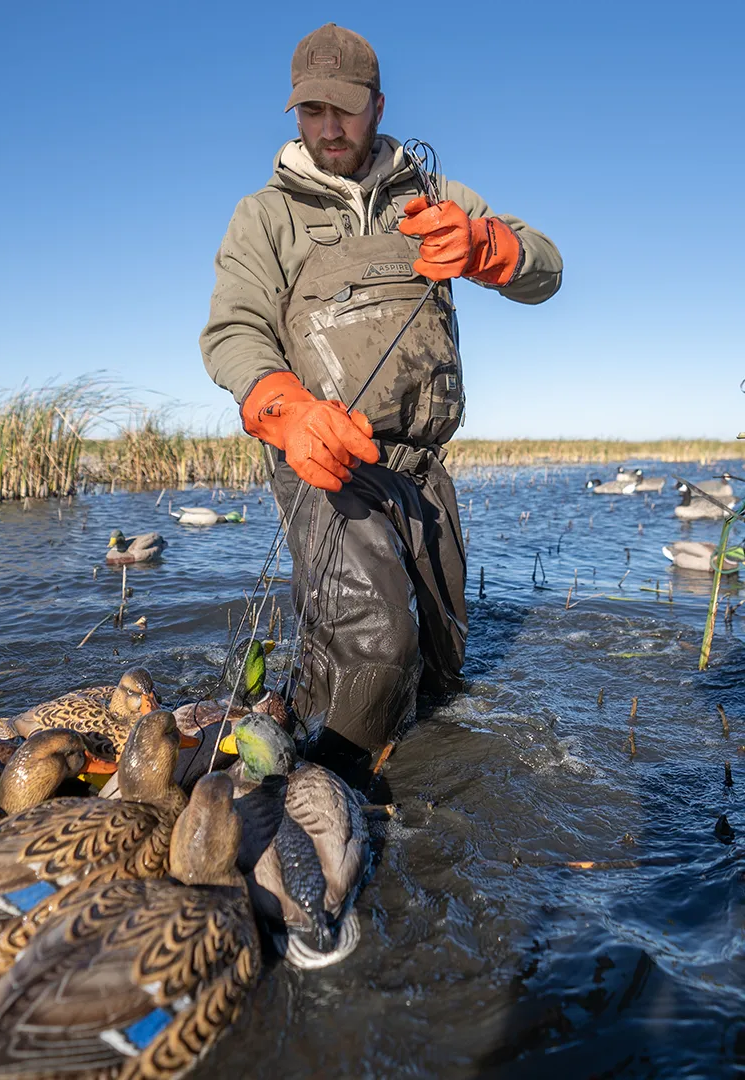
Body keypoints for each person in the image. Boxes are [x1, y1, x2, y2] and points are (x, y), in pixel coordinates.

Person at [200, 23, 562, 767]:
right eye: (311, 112)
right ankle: (331, 805)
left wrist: (490, 247)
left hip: (423, 467)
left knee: (440, 665)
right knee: (376, 645)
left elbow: (548, 271)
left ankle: (363, 771)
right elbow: (233, 333)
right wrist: (287, 411)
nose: (329, 128)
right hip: (325, 460)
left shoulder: (437, 195)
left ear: (379, 104)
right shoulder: (264, 217)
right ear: (294, 113)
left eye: (346, 109)